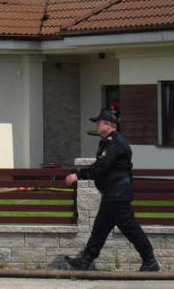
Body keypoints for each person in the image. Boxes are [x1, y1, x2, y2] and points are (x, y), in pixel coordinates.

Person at [63, 109, 159, 272]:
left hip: (117, 194)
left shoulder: (113, 142)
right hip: (114, 193)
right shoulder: (112, 141)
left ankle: (150, 261)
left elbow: (102, 166)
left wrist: (78, 175)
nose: (97, 125)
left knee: (130, 228)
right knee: (100, 229)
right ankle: (85, 261)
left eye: (99, 123)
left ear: (107, 125)